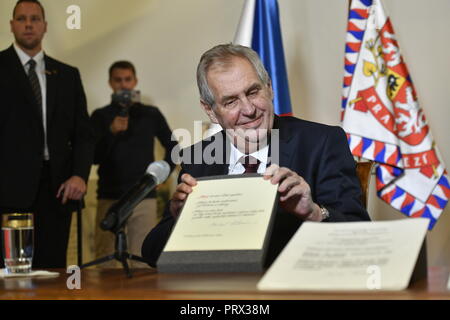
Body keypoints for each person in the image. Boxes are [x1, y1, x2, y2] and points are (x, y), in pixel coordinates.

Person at [141, 44, 371, 268]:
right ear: (210, 111)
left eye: (253, 92)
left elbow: (360, 237)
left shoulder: (321, 143)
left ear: (269, 87)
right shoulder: (198, 157)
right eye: (231, 101)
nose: (249, 109)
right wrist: (182, 220)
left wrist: (313, 212)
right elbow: (151, 253)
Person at [0, 0, 94, 268]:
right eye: (21, 19)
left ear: (44, 26)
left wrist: (79, 175)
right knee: (10, 275)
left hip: (58, 190)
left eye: (34, 18)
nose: (28, 24)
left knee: (52, 272)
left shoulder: (67, 75)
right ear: (11, 25)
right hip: (7, 191)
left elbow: (84, 134)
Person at [90, 61, 177, 267]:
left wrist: (160, 175)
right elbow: (92, 157)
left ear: (135, 81)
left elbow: (174, 148)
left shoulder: (151, 114)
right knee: (106, 261)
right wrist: (110, 132)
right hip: (109, 196)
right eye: (118, 80)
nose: (124, 84)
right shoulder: (100, 116)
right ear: (110, 83)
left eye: (128, 79)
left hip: (143, 196)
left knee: (142, 258)